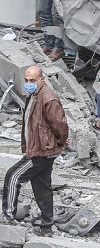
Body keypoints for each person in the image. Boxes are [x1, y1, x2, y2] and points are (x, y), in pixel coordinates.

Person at [1, 66, 68, 233]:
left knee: (13, 176)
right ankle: (46, 227)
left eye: (32, 81)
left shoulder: (48, 98)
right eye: (26, 80)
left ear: (41, 79)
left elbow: (60, 125)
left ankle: (8, 216)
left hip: (42, 151)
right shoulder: (34, 95)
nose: (28, 83)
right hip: (41, 149)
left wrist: (60, 141)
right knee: (41, 186)